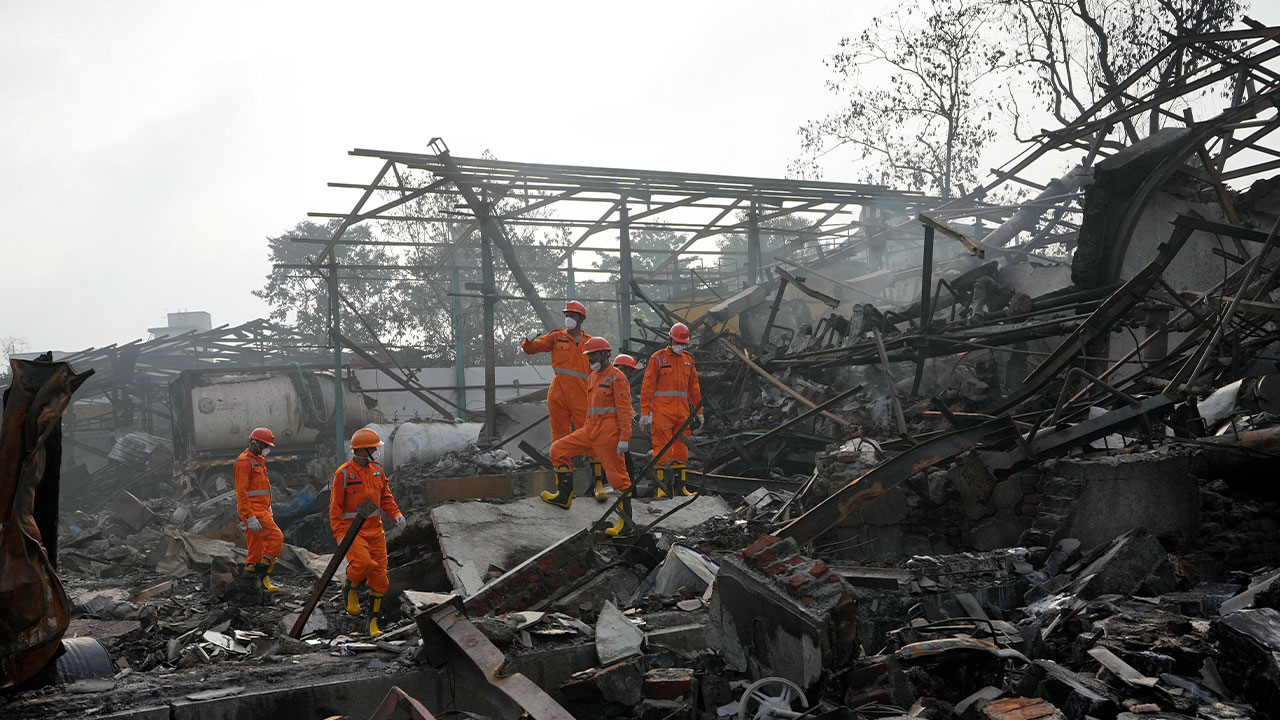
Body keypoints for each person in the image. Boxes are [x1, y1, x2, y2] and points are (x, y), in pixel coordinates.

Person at [544, 337, 636, 536]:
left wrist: (624, 438)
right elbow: (590, 408)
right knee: (557, 450)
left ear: (605, 354)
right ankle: (564, 496)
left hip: (609, 435)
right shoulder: (593, 376)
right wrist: (585, 428)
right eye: (588, 355)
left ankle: (626, 524)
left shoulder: (617, 378)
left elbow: (625, 411)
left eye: (593, 354)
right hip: (590, 430)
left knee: (619, 479)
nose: (590, 358)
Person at [521, 300, 609, 502]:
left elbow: (604, 368)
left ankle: (598, 485)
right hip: (558, 394)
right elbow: (532, 348)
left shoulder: (591, 342)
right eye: (567, 314)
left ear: (581, 319)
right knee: (559, 440)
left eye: (573, 315)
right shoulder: (556, 337)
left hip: (583, 395)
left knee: (590, 437)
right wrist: (528, 340)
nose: (569, 318)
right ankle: (564, 492)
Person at [330, 428, 406, 637]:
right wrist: (339, 535)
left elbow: (385, 497)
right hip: (352, 531)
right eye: (374, 448)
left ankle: (372, 623)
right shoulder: (343, 474)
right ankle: (349, 588)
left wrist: (396, 514)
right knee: (363, 564)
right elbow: (335, 508)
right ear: (362, 451)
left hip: (375, 530)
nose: (377, 451)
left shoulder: (378, 470)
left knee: (381, 580)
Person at [640, 322, 703, 497]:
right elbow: (647, 387)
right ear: (669, 339)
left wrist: (699, 410)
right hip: (662, 412)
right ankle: (662, 488)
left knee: (682, 449)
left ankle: (680, 487)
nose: (680, 346)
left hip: (682, 412)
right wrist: (645, 412)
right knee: (662, 450)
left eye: (683, 343)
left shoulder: (688, 359)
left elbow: (694, 387)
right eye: (677, 342)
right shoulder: (658, 358)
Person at [234, 427, 284, 593]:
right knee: (276, 538)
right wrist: (249, 516)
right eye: (264, 445)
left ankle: (250, 582)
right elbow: (241, 492)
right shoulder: (244, 462)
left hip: (261, 510)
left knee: (256, 548)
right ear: (255, 443)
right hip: (254, 512)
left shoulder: (257, 460)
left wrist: (268, 507)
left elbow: (260, 489)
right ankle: (262, 574)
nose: (266, 449)